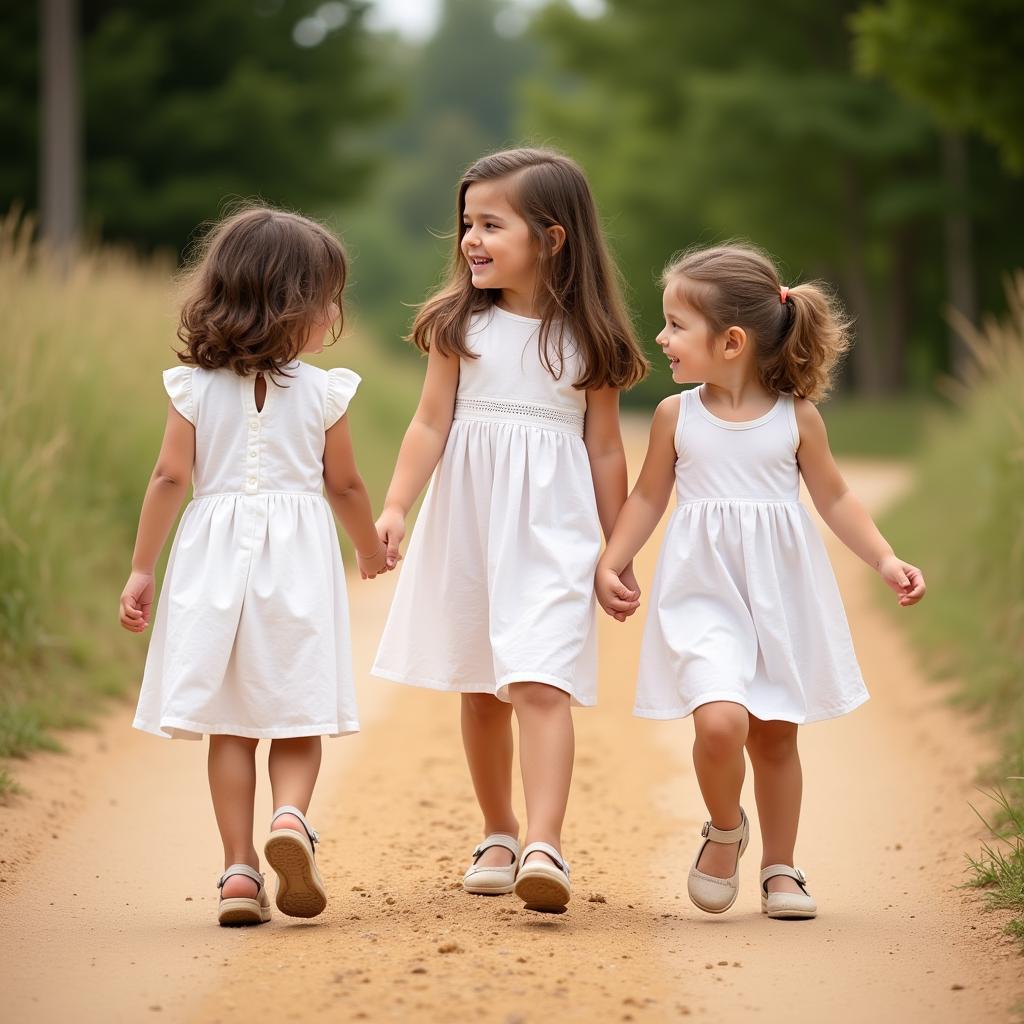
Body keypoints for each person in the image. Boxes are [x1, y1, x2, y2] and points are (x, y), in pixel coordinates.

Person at [596, 243, 925, 920]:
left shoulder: (796, 418)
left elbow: (836, 499)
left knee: (775, 733)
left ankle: (781, 866)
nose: (661, 337)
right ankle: (724, 828)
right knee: (720, 723)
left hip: (778, 598)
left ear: (732, 341)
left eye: (676, 324)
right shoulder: (674, 417)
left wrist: (886, 559)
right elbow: (649, 498)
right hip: (704, 596)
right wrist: (613, 557)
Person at [371, 148, 648, 912]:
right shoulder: (459, 326)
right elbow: (430, 425)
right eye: (467, 223)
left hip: (554, 532)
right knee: (482, 688)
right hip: (470, 525)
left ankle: (544, 843)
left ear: (553, 237)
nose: (471, 239)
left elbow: (602, 447)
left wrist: (614, 551)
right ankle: (498, 828)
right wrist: (395, 505)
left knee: (539, 679)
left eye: (492, 223)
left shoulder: (587, 339)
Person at [120, 206, 389, 926]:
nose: (334, 310)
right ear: (297, 304)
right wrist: (368, 546)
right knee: (297, 714)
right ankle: (292, 821)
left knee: (232, 726)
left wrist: (142, 568)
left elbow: (169, 478)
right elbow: (345, 484)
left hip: (212, 560)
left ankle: (239, 872)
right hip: (297, 558)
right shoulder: (324, 391)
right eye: (328, 296)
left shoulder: (192, 388)